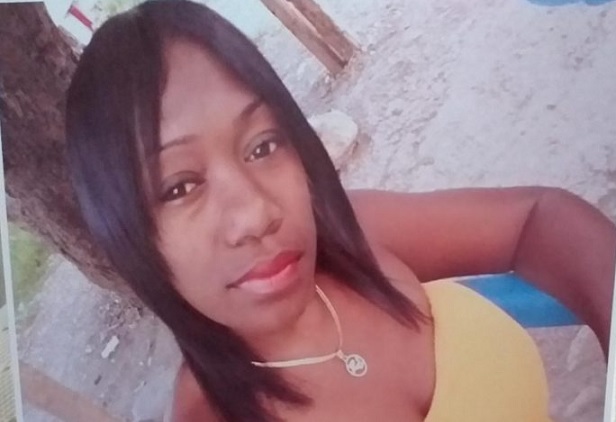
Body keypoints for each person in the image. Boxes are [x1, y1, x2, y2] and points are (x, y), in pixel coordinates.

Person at [65, 1, 616, 421]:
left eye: (263, 145)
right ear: (127, 234)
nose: (256, 215)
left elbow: (537, 219)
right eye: (181, 187)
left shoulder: (352, 233)